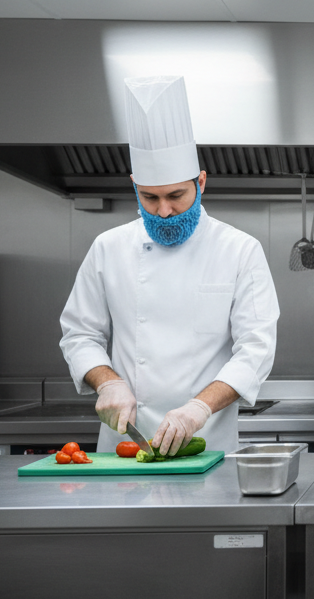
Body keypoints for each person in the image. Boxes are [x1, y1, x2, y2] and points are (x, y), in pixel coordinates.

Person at [60, 75, 279, 458]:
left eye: (176, 195)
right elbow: (79, 334)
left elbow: (255, 350)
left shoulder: (239, 250)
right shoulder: (108, 248)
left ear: (202, 182)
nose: (164, 211)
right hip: (124, 446)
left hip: (206, 444)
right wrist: (108, 382)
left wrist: (199, 408)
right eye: (150, 197)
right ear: (134, 186)